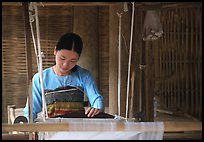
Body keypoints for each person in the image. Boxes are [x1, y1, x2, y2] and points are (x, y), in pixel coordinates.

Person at [23, 32, 105, 121]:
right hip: (51, 131)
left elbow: (96, 98)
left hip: (77, 130)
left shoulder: (84, 76)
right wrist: (29, 126)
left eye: (73, 61)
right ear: (55, 51)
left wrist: (97, 107)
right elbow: (31, 110)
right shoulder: (40, 78)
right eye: (62, 58)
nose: (66, 65)